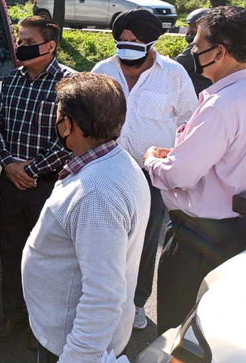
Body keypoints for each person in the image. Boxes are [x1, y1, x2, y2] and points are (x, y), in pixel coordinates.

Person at [144, 6, 246, 334]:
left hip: (198, 241)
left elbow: (179, 175)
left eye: (197, 47)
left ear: (221, 52)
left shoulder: (220, 105)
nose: (192, 52)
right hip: (245, 235)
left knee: (178, 334)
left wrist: (153, 161)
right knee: (218, 333)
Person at [23, 73, 150, 363]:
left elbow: (103, 296)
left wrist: (76, 358)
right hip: (79, 335)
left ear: (68, 125)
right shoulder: (117, 160)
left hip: (74, 344)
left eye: (57, 114)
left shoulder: (95, 194)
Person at [91, 8, 197, 330]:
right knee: (105, 237)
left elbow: (188, 119)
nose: (127, 46)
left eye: (135, 41)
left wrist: (174, 156)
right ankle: (103, 300)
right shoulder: (103, 69)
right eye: (122, 40)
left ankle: (136, 302)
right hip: (107, 171)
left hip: (151, 176)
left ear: (151, 42)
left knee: (146, 241)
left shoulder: (173, 74)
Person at [0, 15, 73, 345]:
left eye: (27, 42)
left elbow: (69, 139)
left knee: (48, 257)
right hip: (11, 184)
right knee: (11, 253)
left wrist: (32, 170)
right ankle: (13, 316)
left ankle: (45, 326)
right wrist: (10, 166)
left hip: (48, 186)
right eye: (19, 40)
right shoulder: (13, 80)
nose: (20, 47)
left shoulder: (69, 83)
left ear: (49, 46)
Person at [174, 8, 213, 95]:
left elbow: (177, 65)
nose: (190, 30)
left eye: (194, 26)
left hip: (197, 93)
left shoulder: (199, 45)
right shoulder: (215, 43)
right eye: (189, 26)